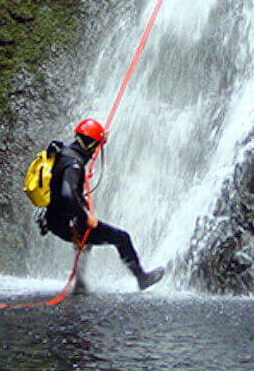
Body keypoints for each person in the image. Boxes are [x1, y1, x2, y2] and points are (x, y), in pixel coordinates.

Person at [38, 118, 164, 291]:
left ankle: (80, 283)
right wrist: (85, 218)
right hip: (66, 223)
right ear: (90, 145)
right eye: (96, 146)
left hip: (54, 218)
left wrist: (99, 138)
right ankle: (142, 278)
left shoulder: (64, 153)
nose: (96, 151)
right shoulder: (74, 165)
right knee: (122, 238)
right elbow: (67, 194)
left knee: (86, 241)